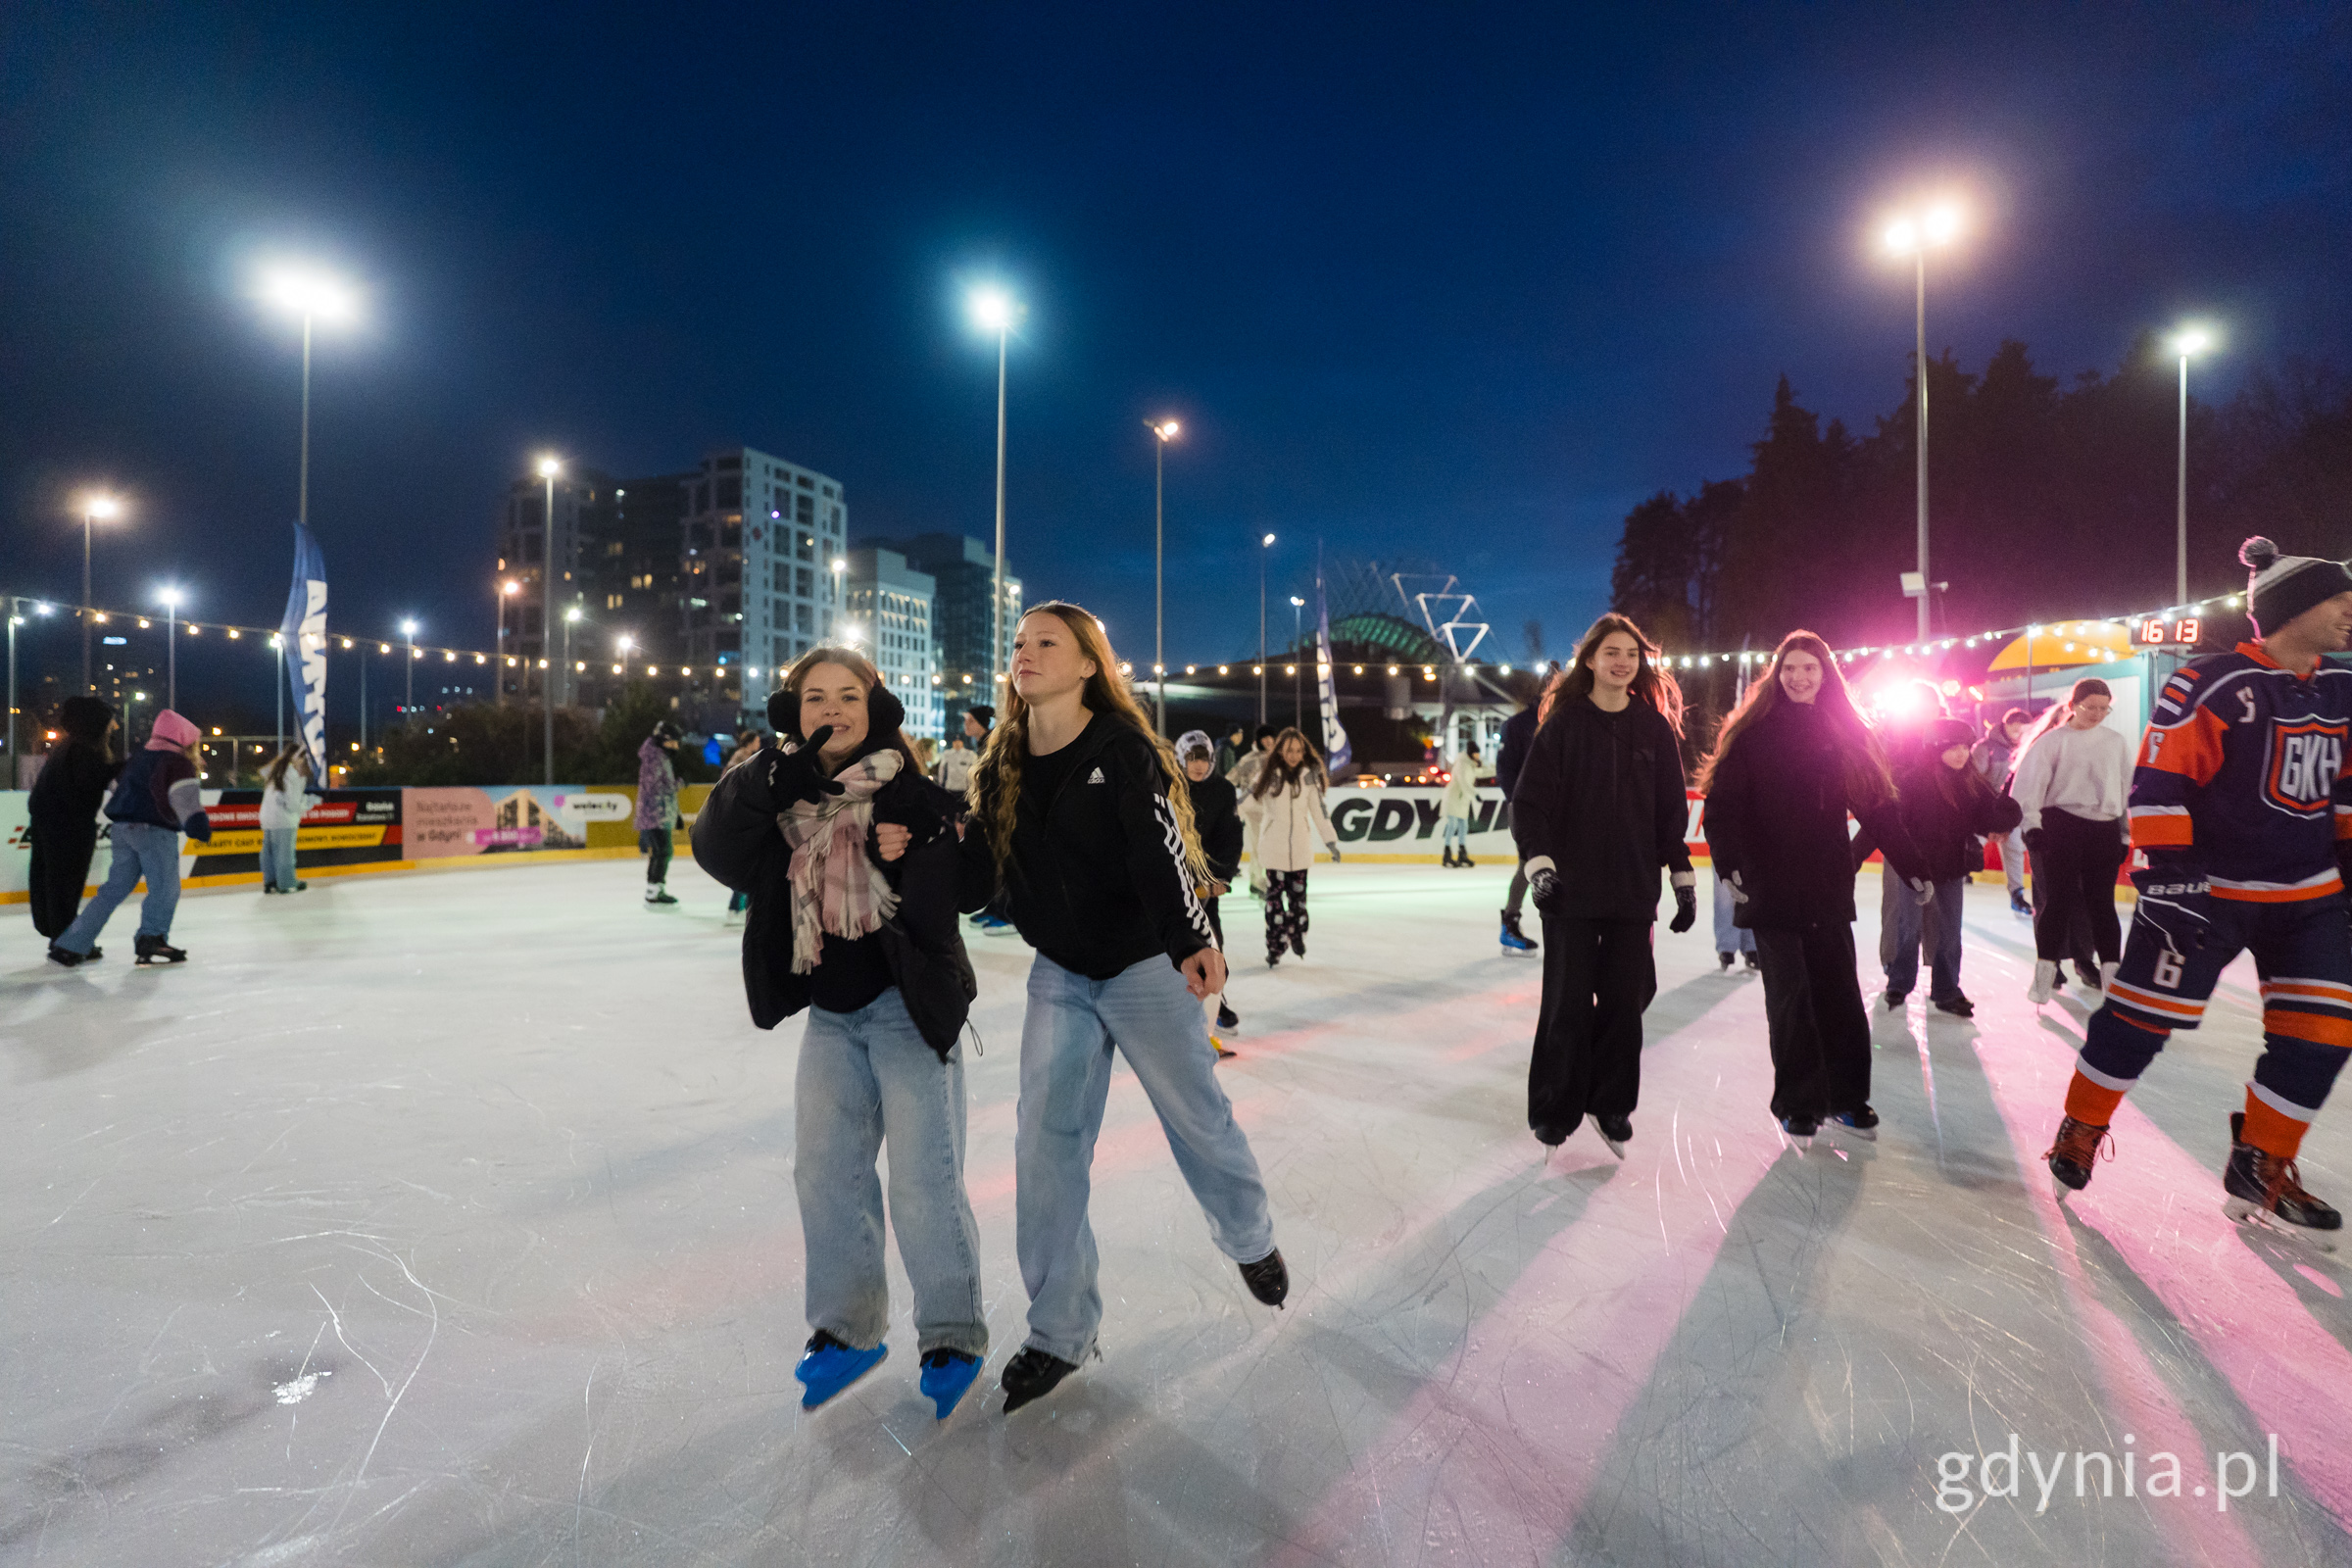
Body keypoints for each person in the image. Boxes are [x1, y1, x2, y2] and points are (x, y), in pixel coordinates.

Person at [957, 603, 1285, 1412]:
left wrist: (1191, 936)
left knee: (1197, 1117)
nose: (1026, 653)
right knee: (1045, 1143)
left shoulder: (1121, 749)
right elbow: (979, 877)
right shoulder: (1000, 765)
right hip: (1061, 972)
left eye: (1048, 642)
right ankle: (1059, 1330)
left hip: (1144, 965)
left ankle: (1250, 1238)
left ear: (1087, 666)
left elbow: (1159, 850)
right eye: (1020, 643)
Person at [689, 647, 990, 1418]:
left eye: (849, 695)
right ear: (794, 712)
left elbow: (960, 900)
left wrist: (922, 847)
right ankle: (849, 1329)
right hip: (830, 1013)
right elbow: (715, 850)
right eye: (816, 696)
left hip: (908, 1008)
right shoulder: (778, 789)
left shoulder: (910, 790)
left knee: (924, 1179)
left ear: (874, 707)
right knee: (825, 1173)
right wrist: (765, 774)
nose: (833, 709)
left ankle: (952, 1332)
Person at [2046, 539, 2352, 1242]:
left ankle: (2260, 1163)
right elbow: (2159, 785)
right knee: (2139, 1022)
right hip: (2208, 894)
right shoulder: (2208, 682)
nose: (2349, 612)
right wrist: (2172, 879)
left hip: (2308, 897)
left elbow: (2347, 789)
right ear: (2292, 609)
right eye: (2338, 600)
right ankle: (2082, 1124)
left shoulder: (2343, 688)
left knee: (2325, 1033)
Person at [1698, 632, 1929, 1144]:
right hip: (1769, 886)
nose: (1798, 677)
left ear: (1826, 675)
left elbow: (1877, 807)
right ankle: (1799, 1103)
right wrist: (1730, 865)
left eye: (1809, 668)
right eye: (1789, 668)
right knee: (1791, 998)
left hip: (1825, 883)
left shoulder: (1844, 733)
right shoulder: (1753, 734)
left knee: (1838, 994)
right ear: (1776, 675)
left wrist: (1913, 865)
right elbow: (1722, 806)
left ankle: (1846, 1098)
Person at [1511, 613, 1697, 1156]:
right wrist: (1541, 868)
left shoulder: (1653, 728)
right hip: (1570, 892)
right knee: (1566, 1003)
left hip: (1632, 889)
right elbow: (1529, 804)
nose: (1622, 662)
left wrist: (1680, 877)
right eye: (1612, 652)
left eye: (1631, 655)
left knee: (1627, 1000)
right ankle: (1555, 1109)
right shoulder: (1565, 725)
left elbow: (1670, 813)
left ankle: (1610, 1102)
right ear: (1590, 660)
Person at [1857, 717, 2023, 1017]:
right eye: (1953, 748)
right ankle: (1899, 983)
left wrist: (2006, 817)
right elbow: (1883, 825)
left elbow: (1987, 816)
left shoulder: (1971, 782)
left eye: (1965, 748)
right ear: (1935, 748)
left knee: (1949, 932)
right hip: (1914, 869)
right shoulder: (1913, 782)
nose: (1961, 754)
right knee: (1908, 928)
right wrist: (1852, 857)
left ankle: (1946, 990)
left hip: (1951, 868)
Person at [49, 709, 215, 967]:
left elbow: (116, 786)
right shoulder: (177, 762)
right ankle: (152, 938)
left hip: (122, 829)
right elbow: (184, 799)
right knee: (165, 888)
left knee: (113, 889)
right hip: (154, 831)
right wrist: (198, 827)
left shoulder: (138, 758)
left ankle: (70, 944)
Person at [2010, 678, 2132, 1004]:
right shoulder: (2053, 742)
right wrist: (2032, 826)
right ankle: (2044, 975)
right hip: (2062, 825)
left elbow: (2124, 790)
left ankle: (2112, 980)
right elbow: (2028, 786)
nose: (2097, 714)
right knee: (2057, 901)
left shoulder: (2116, 742)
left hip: (2103, 829)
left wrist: (2123, 833)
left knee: (2102, 904)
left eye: (2103, 708)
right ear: (2072, 706)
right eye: (2090, 707)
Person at [1242, 727, 1343, 966]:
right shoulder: (1268, 776)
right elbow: (1247, 800)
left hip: (1300, 851)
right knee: (1274, 904)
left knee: (1298, 903)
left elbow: (1319, 812)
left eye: (1298, 751)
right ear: (1280, 751)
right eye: (1289, 750)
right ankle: (1275, 947)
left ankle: (1296, 935)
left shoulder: (1308, 777)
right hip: (1273, 851)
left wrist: (1330, 840)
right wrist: (1231, 814)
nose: (1294, 755)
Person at [25, 697, 120, 948]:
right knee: (65, 885)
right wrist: (122, 768)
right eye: (110, 723)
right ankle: (66, 941)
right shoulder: (82, 751)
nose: (114, 728)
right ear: (96, 724)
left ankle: (60, 935)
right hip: (68, 827)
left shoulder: (69, 747)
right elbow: (90, 780)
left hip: (55, 823)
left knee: (55, 882)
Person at [1176, 730, 1245, 1048]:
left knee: (1213, 944)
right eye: (1192, 758)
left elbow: (1230, 837)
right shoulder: (1167, 786)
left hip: (1205, 886)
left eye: (1203, 759)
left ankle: (1214, 1003)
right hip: (1171, 883)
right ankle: (1175, 1010)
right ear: (1181, 758)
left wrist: (1221, 878)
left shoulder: (1223, 790)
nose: (1198, 765)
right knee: (1172, 948)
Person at [1494, 677, 1540, 953]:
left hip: (1563, 808)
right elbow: (1505, 769)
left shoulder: (1570, 719)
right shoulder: (1519, 724)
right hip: (1526, 807)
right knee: (1528, 863)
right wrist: (1517, 802)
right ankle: (1510, 924)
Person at [960, 706, 1014, 934]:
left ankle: (1007, 913)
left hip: (1000, 813)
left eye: (970, 720)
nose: (966, 725)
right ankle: (994, 908)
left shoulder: (993, 742)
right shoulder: (982, 743)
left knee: (1002, 861)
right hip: (990, 812)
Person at [1975, 707, 2034, 915]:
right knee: (1973, 844)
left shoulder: (2029, 749)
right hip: (1986, 810)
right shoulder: (1985, 748)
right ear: (2006, 725)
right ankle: (1954, 878)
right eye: (2016, 729)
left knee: (2014, 848)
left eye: (2024, 730)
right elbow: (1974, 780)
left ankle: (2017, 894)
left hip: (2012, 810)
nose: (2019, 734)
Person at [258, 743, 318, 894]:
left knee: (269, 852)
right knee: (285, 853)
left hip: (267, 818)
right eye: (303, 758)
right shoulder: (292, 775)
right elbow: (292, 803)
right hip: (284, 819)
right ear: (297, 758)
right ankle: (286, 883)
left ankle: (270, 881)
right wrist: (310, 802)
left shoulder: (276, 771)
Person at [635, 720, 682, 906]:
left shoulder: (658, 756)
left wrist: (676, 813)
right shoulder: (655, 758)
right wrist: (677, 784)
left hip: (658, 812)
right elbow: (654, 787)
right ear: (665, 740)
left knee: (661, 852)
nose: (677, 746)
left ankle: (655, 890)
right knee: (663, 852)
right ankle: (654, 891)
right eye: (674, 741)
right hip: (654, 814)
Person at [1227, 724, 1278, 896]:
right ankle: (1258, 882)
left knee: (1269, 847)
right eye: (1265, 738)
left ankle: (1260, 880)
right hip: (1253, 809)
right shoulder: (1248, 760)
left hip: (1273, 810)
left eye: (1271, 737)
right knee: (1259, 846)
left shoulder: (1279, 759)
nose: (1268, 741)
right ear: (1259, 740)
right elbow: (1230, 780)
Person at [1438, 743, 1481, 867]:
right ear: (1471, 753)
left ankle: (1462, 854)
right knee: (1452, 825)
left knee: (1463, 825)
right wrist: (1475, 794)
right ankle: (1447, 854)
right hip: (1453, 798)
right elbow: (1463, 782)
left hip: (1462, 800)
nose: (1478, 756)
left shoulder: (1471, 764)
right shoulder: (1462, 764)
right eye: (1476, 753)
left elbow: (1480, 772)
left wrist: (1498, 768)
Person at [934, 732, 977, 796]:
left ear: (962, 742)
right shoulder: (947, 754)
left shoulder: (970, 754)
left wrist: (973, 785)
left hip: (964, 787)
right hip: (950, 787)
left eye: (959, 741)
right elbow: (942, 770)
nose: (957, 743)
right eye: (955, 742)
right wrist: (941, 783)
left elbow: (974, 770)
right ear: (952, 743)